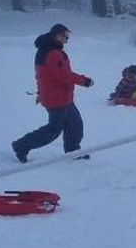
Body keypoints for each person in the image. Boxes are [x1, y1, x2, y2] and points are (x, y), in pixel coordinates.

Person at [13, 24, 94, 162]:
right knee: (53, 130)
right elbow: (64, 76)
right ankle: (21, 145)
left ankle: (73, 151)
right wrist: (85, 81)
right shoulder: (52, 53)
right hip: (56, 99)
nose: (67, 39)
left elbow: (43, 75)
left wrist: (40, 92)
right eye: (65, 36)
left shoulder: (49, 50)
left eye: (67, 37)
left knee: (75, 125)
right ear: (56, 35)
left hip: (63, 97)